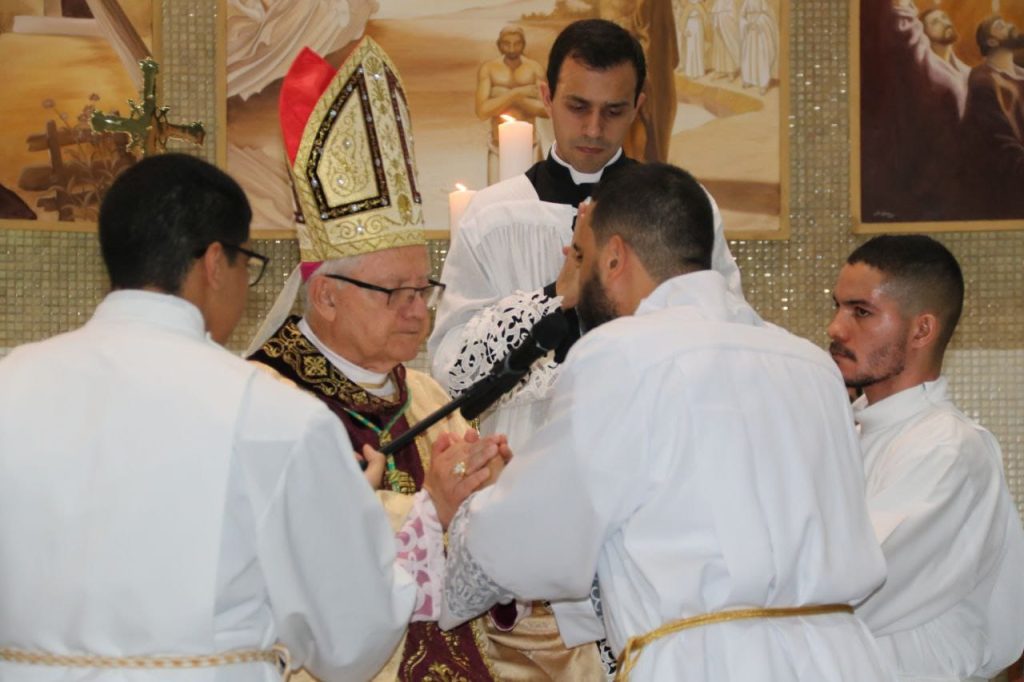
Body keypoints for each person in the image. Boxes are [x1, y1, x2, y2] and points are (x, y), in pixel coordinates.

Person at [439, 162, 894, 681]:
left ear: (615, 257)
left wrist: (475, 505)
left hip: (707, 665)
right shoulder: (809, 364)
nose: (577, 278)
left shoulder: (621, 353)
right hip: (842, 661)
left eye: (582, 256)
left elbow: (534, 541)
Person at [0, 153, 440, 681]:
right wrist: (356, 519)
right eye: (246, 264)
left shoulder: (11, 384)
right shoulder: (274, 415)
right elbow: (348, 647)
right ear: (215, 263)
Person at [246, 39, 603, 681]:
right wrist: (433, 506)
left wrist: (496, 494)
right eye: (396, 292)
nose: (420, 311)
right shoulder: (265, 397)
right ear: (325, 295)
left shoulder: (427, 397)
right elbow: (296, 556)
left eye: (424, 288)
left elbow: (481, 557)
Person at [430, 17, 742, 468]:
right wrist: (552, 297)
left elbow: (727, 335)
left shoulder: (682, 208)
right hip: (525, 459)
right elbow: (451, 371)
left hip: (652, 450)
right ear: (546, 96)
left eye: (613, 111)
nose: (594, 129)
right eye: (578, 107)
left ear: (637, 106)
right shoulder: (495, 214)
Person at [828, 234, 1024, 681]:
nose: (836, 328)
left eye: (861, 312)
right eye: (837, 307)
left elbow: (852, 589)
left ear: (922, 330)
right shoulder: (848, 435)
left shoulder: (946, 448)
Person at [959, 15, 1024, 219]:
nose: (1010, 25)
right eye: (1000, 26)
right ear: (992, 41)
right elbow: (1001, 144)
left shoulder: (1021, 74)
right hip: (1007, 187)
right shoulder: (983, 81)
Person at [476, 25, 549, 183]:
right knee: (496, 194)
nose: (512, 48)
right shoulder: (489, 69)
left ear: (523, 44)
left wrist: (512, 98)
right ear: (499, 45)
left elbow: (547, 110)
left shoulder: (534, 68)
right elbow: (482, 111)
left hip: (530, 145)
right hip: (498, 146)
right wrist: (517, 93)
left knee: (533, 192)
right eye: (506, 43)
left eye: (517, 43)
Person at [739, 0, 778, 94]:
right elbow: (742, 16)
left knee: (761, 56)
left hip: (760, 32)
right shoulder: (746, 1)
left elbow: (767, 16)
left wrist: (758, 23)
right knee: (749, 56)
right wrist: (746, 24)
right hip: (749, 31)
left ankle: (763, 83)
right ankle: (748, 79)